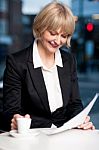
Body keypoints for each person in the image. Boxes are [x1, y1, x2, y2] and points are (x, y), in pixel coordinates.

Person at [3, 2, 95, 131]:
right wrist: (16, 120)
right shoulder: (17, 62)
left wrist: (80, 121)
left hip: (65, 133)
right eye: (53, 33)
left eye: (63, 36)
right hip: (33, 134)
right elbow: (10, 111)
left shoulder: (69, 61)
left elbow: (74, 104)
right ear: (40, 28)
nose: (58, 41)